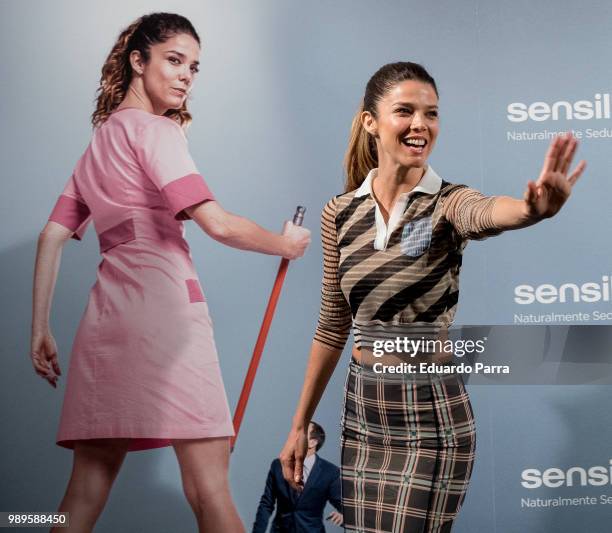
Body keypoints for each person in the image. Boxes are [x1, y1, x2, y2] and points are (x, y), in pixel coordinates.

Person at [30, 13, 310, 533]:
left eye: (195, 68)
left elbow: (51, 236)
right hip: (167, 322)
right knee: (209, 489)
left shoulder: (98, 144)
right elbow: (218, 224)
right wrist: (285, 244)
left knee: (80, 498)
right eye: (174, 61)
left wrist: (40, 330)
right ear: (138, 61)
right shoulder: (158, 132)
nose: (186, 76)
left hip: (106, 324)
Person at [279, 62, 585, 532]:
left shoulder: (447, 202)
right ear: (370, 122)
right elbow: (331, 325)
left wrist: (531, 209)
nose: (421, 124)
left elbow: (487, 212)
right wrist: (300, 423)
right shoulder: (339, 213)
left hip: (429, 413)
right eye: (405, 111)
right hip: (363, 412)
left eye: (432, 114)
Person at [253, 422, 343, 532]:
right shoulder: (278, 465)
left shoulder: (330, 472)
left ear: (312, 442)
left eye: (299, 434)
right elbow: (266, 504)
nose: (293, 437)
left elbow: (343, 507)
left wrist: (344, 517)